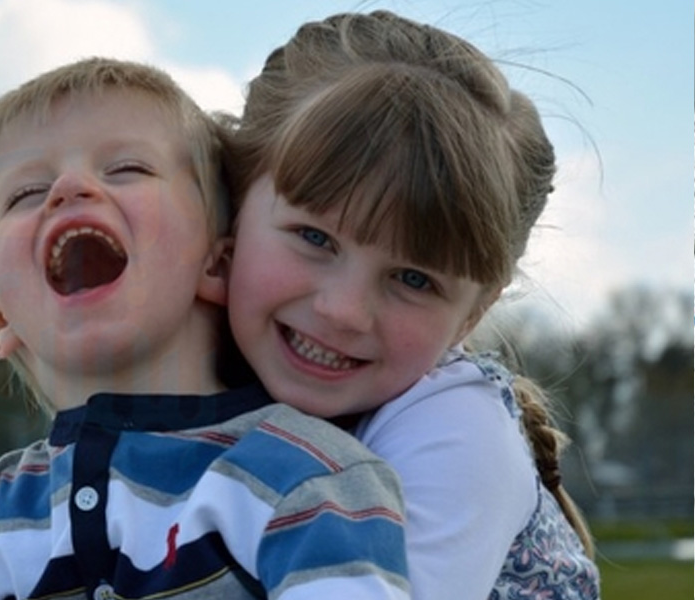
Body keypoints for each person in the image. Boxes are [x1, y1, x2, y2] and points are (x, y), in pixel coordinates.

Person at [0, 57, 412, 599]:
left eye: (126, 168)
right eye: (25, 193)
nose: (69, 187)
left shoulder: (309, 477)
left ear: (217, 265)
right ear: (0, 321)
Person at [221, 10, 599, 599]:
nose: (344, 310)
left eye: (414, 279)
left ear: (474, 312)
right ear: (232, 204)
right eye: (314, 237)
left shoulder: (457, 432)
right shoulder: (191, 368)